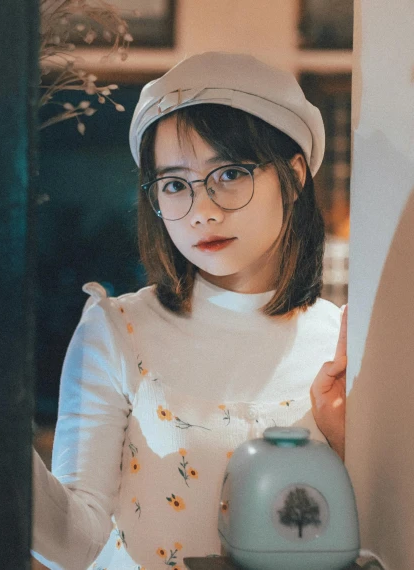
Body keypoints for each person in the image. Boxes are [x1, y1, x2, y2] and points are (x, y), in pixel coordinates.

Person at [30, 51, 348, 570]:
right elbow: (79, 541)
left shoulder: (340, 347)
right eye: (175, 184)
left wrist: (347, 443)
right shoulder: (118, 330)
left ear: (292, 179)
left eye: (229, 173)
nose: (203, 209)